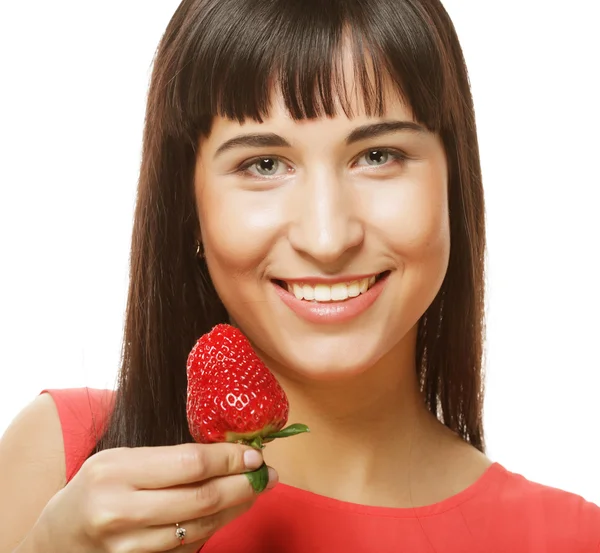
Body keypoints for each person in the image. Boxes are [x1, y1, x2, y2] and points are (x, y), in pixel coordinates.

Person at [1, 0, 599, 551]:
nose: (327, 238)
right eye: (264, 164)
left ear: (453, 185)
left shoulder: (571, 538)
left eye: (378, 156)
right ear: (190, 208)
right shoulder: (67, 462)